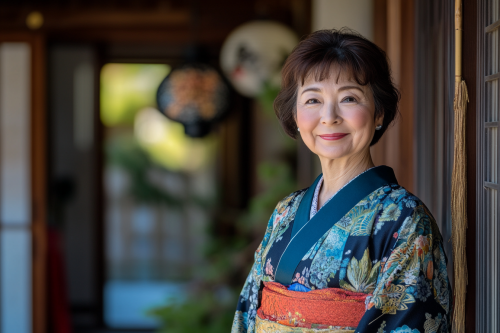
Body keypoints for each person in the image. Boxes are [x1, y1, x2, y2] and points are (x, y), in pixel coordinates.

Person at [231, 29, 451, 333]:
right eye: (312, 100)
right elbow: (248, 312)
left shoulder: (404, 218)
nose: (329, 116)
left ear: (379, 113)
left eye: (349, 98)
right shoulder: (286, 211)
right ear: (295, 116)